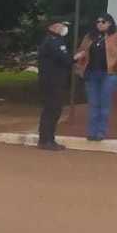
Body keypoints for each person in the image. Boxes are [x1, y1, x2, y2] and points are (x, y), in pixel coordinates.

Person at [74, 13, 117, 141]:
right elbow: (81, 52)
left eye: (103, 21)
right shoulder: (89, 37)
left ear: (110, 23)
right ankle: (91, 132)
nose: (100, 23)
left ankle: (101, 132)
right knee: (93, 104)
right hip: (91, 74)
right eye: (98, 21)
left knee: (104, 104)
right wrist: (80, 68)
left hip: (108, 75)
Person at [37, 19, 73, 152]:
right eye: (62, 25)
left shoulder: (55, 40)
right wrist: (75, 58)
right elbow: (65, 59)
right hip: (52, 82)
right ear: (53, 26)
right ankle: (46, 140)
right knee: (52, 110)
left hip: (53, 81)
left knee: (53, 110)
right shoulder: (52, 42)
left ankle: (48, 139)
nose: (64, 28)